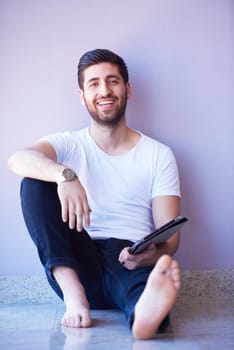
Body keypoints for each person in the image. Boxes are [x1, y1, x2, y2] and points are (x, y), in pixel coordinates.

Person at [8, 48, 181, 340]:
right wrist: (65, 175)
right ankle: (74, 296)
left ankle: (146, 317)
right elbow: (17, 159)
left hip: (128, 256)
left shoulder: (158, 155)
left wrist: (155, 253)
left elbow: (171, 235)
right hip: (77, 260)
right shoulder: (69, 143)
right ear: (82, 95)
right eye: (94, 83)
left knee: (139, 286)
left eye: (113, 81)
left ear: (127, 89)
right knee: (34, 182)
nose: (105, 90)